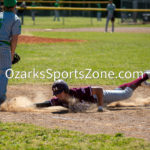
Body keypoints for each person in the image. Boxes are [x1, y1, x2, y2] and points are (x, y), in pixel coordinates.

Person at [35, 71, 150, 112]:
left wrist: (100, 106)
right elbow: (46, 104)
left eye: (60, 92)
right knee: (119, 92)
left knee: (126, 94)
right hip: (99, 101)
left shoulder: (78, 92)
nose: (58, 95)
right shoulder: (59, 100)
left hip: (102, 97)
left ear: (65, 90)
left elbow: (99, 90)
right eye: (56, 93)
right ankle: (136, 83)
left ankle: (145, 76)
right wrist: (29, 106)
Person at [0, 0, 21, 105]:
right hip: (4, 47)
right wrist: (12, 54)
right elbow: (14, 39)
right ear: (14, 6)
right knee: (4, 72)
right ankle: (1, 98)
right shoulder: (15, 19)